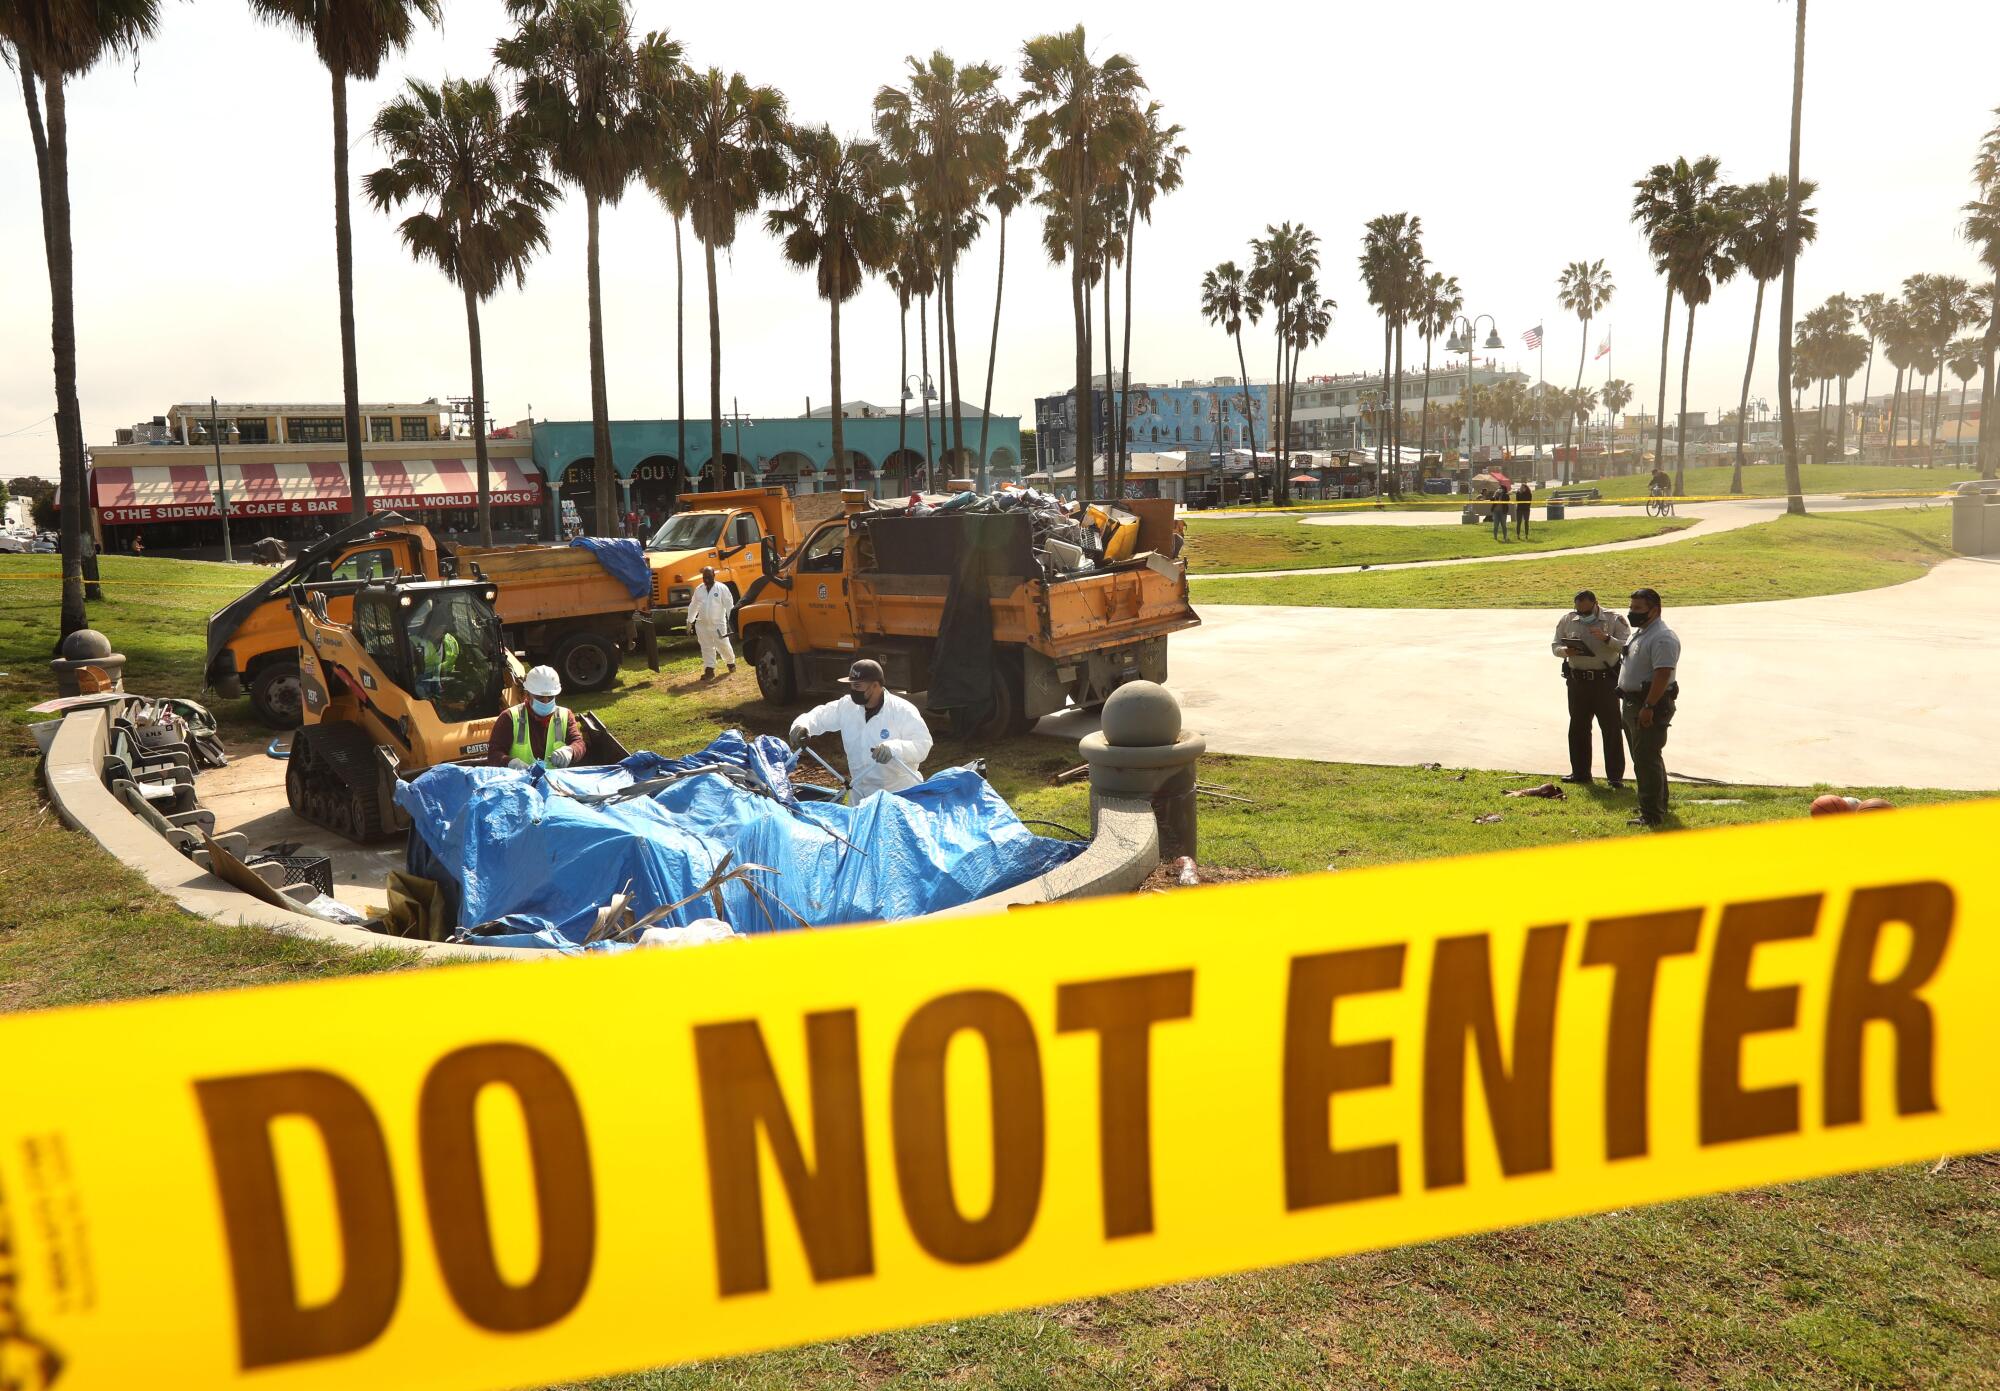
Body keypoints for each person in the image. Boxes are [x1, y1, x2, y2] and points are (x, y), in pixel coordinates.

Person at [789, 658, 933, 803]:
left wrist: (894, 749)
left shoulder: (902, 710)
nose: (853, 691)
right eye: (851, 686)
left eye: (857, 686)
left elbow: (923, 744)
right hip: (860, 795)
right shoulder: (847, 706)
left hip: (899, 795)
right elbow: (819, 716)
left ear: (876, 685)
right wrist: (801, 726)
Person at [1551, 589, 1630, 789]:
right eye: (1579, 611)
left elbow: (1627, 647)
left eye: (1586, 612)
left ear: (1596, 604)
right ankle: (1580, 773)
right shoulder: (1568, 619)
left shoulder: (1614, 620)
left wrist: (1606, 639)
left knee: (1611, 729)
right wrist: (1564, 651)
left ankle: (1615, 777)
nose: (1582, 615)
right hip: (1577, 682)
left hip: (1605, 682)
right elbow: (1555, 645)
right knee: (1578, 728)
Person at [1617, 587, 1680, 828]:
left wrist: (1649, 706)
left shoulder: (1662, 637)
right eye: (1631, 607)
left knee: (1646, 759)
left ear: (1655, 610)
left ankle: (1651, 814)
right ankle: (1655, 805)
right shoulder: (1642, 632)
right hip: (1634, 703)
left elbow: (1662, 674)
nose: (1632, 613)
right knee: (1646, 757)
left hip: (1649, 705)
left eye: (1638, 609)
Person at [486, 665, 587, 769]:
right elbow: (494, 754)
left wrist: (570, 751)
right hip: (519, 782)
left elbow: (579, 743)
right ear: (527, 695)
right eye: (540, 697)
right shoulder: (509, 717)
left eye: (551, 697)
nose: (546, 701)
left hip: (554, 782)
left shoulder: (565, 715)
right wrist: (509, 762)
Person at [686, 565, 736, 680]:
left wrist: (732, 622)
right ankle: (709, 669)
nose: (706, 579)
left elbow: (729, 606)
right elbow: (694, 605)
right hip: (702, 624)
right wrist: (689, 621)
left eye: (709, 576)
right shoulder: (699, 589)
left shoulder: (722, 588)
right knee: (706, 647)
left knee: (723, 644)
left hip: (718, 624)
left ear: (714, 576)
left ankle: (730, 662)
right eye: (704, 577)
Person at [407, 599, 460, 702]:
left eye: (444, 627)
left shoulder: (451, 643)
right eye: (439, 627)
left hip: (439, 684)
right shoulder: (414, 643)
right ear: (429, 627)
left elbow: (449, 668)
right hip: (419, 690)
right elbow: (410, 678)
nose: (442, 631)